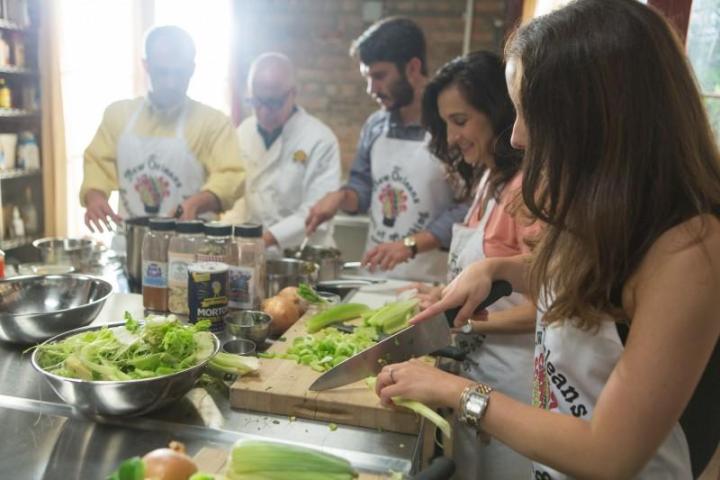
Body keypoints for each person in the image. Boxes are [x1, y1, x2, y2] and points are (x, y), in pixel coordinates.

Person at [375, 1, 720, 478]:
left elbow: (609, 454)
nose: (515, 137)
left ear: (592, 115)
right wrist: (497, 269)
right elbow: (592, 286)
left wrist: (454, 392)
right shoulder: (611, 212)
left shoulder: (691, 251)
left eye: (527, 112)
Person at [412, 51, 539, 479]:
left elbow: (552, 306)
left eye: (461, 121)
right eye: (446, 124)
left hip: (515, 384)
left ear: (499, 113)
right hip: (478, 379)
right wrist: (444, 297)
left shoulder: (527, 189)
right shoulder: (488, 179)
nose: (451, 137)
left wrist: (466, 322)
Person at [305, 17, 469, 282]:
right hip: (374, 277)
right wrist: (340, 197)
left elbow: (467, 209)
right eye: (367, 77)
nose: (372, 89)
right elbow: (363, 189)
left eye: (380, 76)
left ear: (413, 68)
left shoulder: (447, 127)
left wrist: (410, 245)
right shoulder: (375, 125)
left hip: (430, 282)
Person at [81, 25, 245, 231]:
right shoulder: (118, 115)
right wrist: (95, 197)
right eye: (162, 72)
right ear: (146, 66)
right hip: (131, 246)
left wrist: (197, 203)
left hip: (191, 248)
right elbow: (97, 163)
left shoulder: (213, 122)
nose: (171, 82)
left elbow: (231, 176)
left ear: (192, 69)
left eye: (180, 73)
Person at [223, 52, 341, 252]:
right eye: (257, 102)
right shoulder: (244, 131)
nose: (264, 111)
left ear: (293, 94)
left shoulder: (319, 139)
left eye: (274, 103)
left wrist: (263, 241)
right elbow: (238, 197)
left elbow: (316, 212)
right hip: (250, 253)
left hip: (302, 255)